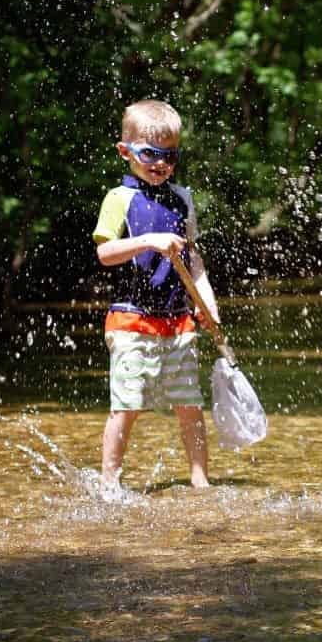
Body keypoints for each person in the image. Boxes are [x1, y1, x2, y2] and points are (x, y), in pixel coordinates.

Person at [92, 99, 221, 490]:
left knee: (190, 407)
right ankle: (109, 484)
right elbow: (104, 254)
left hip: (178, 320)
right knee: (127, 408)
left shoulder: (183, 199)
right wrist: (147, 241)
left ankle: (200, 481)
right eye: (150, 153)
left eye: (170, 156)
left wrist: (208, 302)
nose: (160, 163)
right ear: (125, 151)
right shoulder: (119, 198)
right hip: (131, 320)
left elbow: (192, 257)